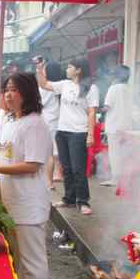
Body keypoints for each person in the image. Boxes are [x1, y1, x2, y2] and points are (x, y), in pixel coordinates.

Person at [0, 73, 51, 279]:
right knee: (18, 259)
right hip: (12, 202)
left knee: (32, 260)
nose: (9, 94)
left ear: (28, 93)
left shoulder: (34, 124)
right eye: (6, 89)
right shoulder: (11, 122)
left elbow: (33, 164)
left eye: (15, 90)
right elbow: (7, 156)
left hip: (29, 204)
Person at [37, 59, 99, 215]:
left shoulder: (91, 88)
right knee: (67, 168)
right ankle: (69, 199)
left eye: (70, 67)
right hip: (62, 131)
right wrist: (39, 69)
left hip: (79, 132)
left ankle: (83, 201)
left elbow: (92, 112)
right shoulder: (65, 84)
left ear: (78, 70)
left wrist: (90, 134)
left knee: (78, 168)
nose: (67, 69)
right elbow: (44, 84)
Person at [101, 65, 133, 187]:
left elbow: (107, 107)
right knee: (125, 154)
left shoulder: (113, 88)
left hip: (114, 127)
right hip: (127, 126)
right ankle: (127, 178)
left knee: (114, 153)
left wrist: (97, 110)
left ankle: (115, 179)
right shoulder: (129, 89)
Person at [37, 61, 64, 190]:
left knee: (49, 152)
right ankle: (57, 173)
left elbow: (39, 103)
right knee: (56, 148)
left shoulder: (45, 87)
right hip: (58, 117)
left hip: (47, 119)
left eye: (45, 70)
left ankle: (49, 182)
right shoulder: (59, 85)